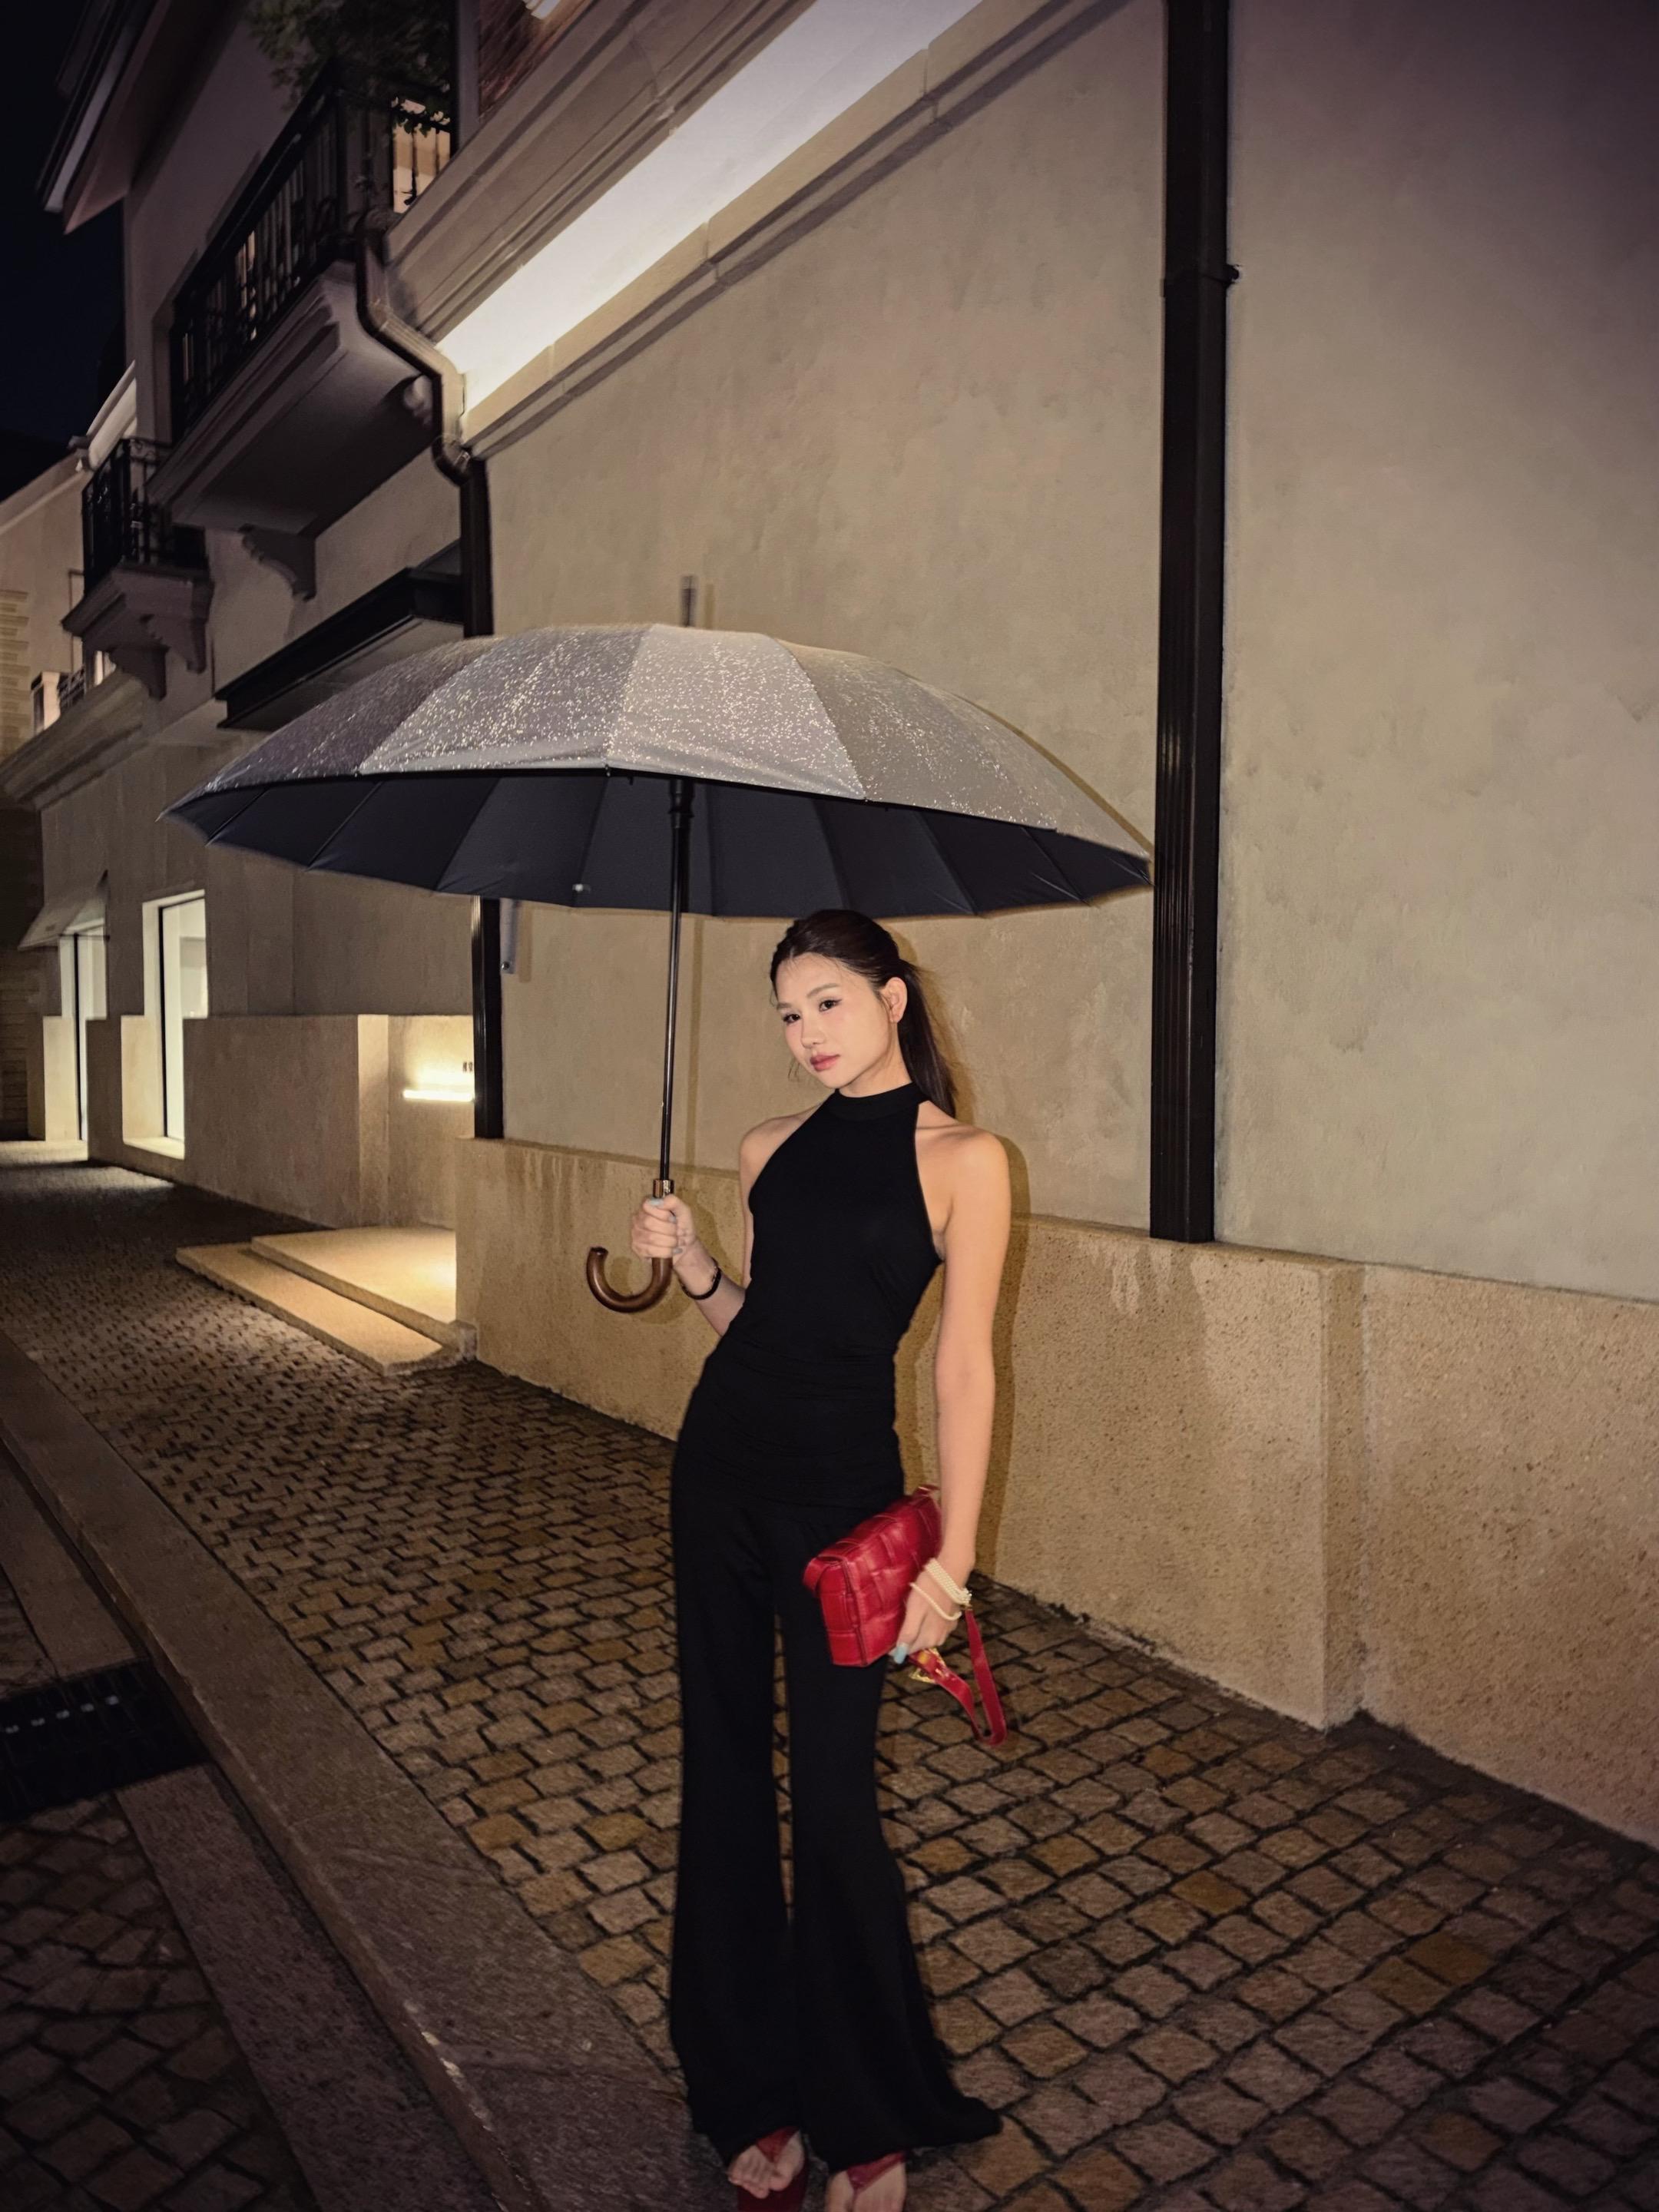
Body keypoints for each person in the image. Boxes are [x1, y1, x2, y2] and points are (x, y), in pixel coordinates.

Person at [628, 909, 1012, 2212]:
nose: (806, 1034)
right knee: (726, 1771)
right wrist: (694, 1266)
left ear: (893, 998)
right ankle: (750, 2087)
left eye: (829, 1003)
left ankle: (867, 2114)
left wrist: (952, 1562)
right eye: (789, 1014)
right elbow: (761, 1326)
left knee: (838, 1801)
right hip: (720, 1481)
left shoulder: (965, 1160)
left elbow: (964, 1368)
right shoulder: (765, 1149)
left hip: (843, 1506)